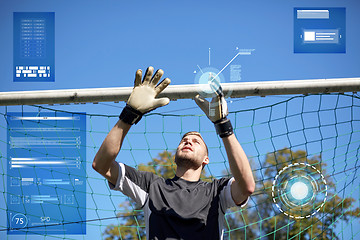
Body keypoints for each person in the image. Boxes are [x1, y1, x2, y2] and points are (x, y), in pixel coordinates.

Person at [92, 66, 255, 240]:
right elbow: (101, 165)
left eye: (196, 141)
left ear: (206, 159)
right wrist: (129, 114)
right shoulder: (151, 186)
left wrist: (222, 124)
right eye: (184, 140)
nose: (188, 141)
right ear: (175, 154)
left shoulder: (217, 191)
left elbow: (247, 186)